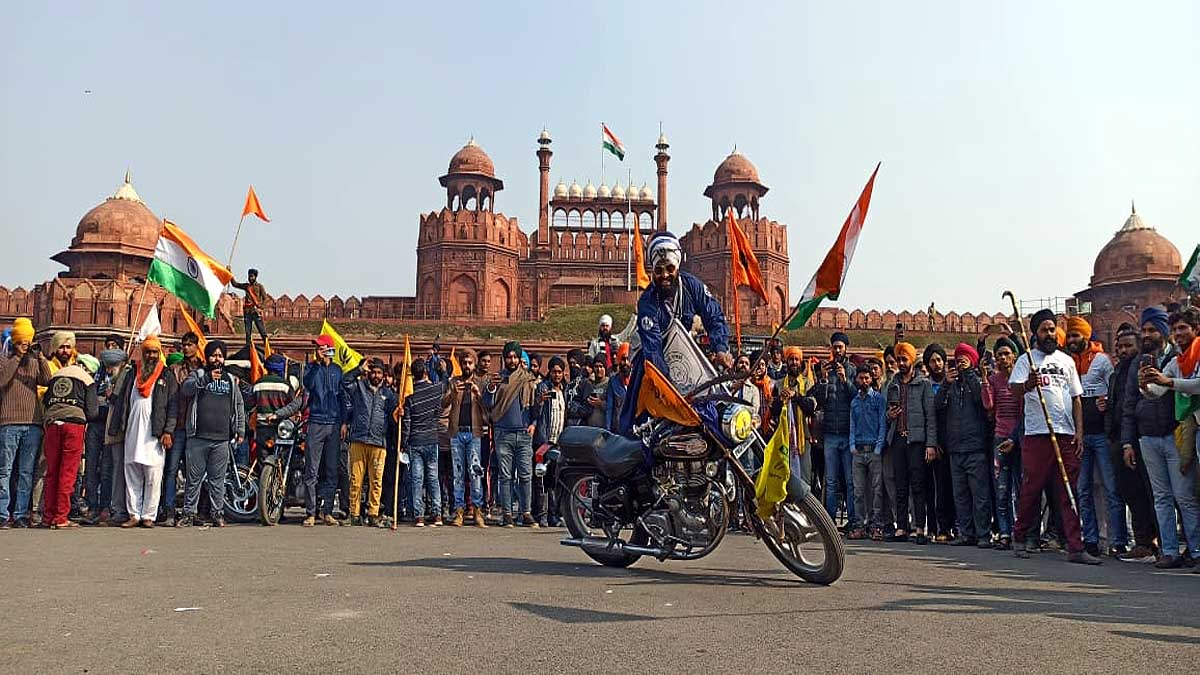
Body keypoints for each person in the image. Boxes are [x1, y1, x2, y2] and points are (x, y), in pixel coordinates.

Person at [1009, 309, 1098, 564]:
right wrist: (1028, 384)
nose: (1049, 334)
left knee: (1068, 491)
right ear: (1035, 333)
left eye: (1051, 329)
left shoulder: (1066, 361)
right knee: (1032, 488)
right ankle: (1020, 535)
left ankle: (1075, 547)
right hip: (1038, 434)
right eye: (1044, 330)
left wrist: (1079, 432)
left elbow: (1076, 398)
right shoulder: (1027, 360)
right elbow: (1014, 390)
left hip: (1065, 433)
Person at [619, 231, 730, 433]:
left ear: (677, 266)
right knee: (641, 430)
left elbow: (713, 315)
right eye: (659, 271)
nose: (665, 276)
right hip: (655, 370)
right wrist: (668, 387)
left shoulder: (691, 286)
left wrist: (720, 348)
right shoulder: (647, 302)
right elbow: (653, 348)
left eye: (670, 269)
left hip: (689, 362)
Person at [1133, 306, 1200, 569]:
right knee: (1165, 496)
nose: (1178, 333)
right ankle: (1171, 552)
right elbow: (1156, 393)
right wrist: (1145, 384)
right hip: (1191, 431)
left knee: (1185, 496)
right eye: (1174, 329)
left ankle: (1196, 551)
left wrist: (1167, 383)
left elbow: (1197, 385)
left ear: (1196, 329)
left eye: (1183, 328)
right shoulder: (1177, 361)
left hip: (1183, 432)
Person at [1063, 315, 1126, 558]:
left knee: (1111, 489)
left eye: (1075, 335)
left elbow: (1114, 391)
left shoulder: (1101, 361)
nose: (1071, 340)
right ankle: (1089, 539)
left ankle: (1118, 540)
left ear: (1086, 336)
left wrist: (1107, 403)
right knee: (1083, 490)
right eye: (1069, 336)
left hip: (1100, 434)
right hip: (1079, 435)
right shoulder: (1067, 362)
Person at [106, 337, 178, 528]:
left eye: (155, 352)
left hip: (155, 433)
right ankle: (134, 514)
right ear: (143, 353)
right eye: (148, 352)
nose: (151, 355)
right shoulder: (132, 373)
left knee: (153, 476)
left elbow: (173, 406)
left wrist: (168, 431)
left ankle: (148, 516)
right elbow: (120, 400)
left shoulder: (166, 375)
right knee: (132, 473)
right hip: (132, 431)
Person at [1104, 325, 1158, 561]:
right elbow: (1120, 406)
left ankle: (1152, 542)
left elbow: (1133, 407)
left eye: (1128, 346)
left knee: (1149, 492)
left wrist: (1129, 442)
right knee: (1130, 493)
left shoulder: (1141, 366)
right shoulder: (1117, 371)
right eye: (1120, 346)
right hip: (1119, 439)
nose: (1123, 350)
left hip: (1139, 438)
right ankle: (1143, 542)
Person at [177, 340, 244, 528]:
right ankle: (189, 514)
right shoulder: (198, 374)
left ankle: (217, 513)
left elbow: (238, 405)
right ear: (207, 357)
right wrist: (206, 379)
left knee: (217, 481)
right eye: (213, 355)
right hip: (198, 437)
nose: (217, 359)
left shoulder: (231, 380)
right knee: (194, 480)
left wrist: (240, 429)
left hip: (221, 439)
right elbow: (186, 389)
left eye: (220, 355)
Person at [938, 343, 992, 548]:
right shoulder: (951, 385)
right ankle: (966, 533)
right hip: (955, 448)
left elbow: (982, 400)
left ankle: (984, 534)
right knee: (960, 495)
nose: (960, 362)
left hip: (975, 447)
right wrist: (945, 384)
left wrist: (970, 373)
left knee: (980, 495)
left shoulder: (977, 381)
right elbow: (936, 406)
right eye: (958, 359)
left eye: (964, 359)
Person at [39, 348, 99, 528]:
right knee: (68, 472)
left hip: (52, 423)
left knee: (52, 472)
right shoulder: (87, 379)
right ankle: (61, 517)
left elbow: (46, 400)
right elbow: (93, 411)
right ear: (89, 369)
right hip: (73, 424)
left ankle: (48, 516)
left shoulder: (57, 375)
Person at [0, 318, 52, 528]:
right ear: (16, 340)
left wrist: (38, 356)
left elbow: (47, 380)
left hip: (33, 424)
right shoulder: (4, 359)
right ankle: (3, 514)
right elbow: (3, 380)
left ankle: (21, 514)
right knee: (5, 471)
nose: (26, 344)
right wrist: (18, 355)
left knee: (25, 471)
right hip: (9, 422)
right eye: (23, 340)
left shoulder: (34, 360)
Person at [885, 342, 936, 544]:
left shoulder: (923, 384)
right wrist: (889, 415)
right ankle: (901, 527)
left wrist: (930, 445)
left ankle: (919, 527)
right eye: (899, 359)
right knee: (900, 485)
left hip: (917, 441)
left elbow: (930, 417)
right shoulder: (893, 384)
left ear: (912, 360)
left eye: (904, 359)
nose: (901, 363)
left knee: (918, 484)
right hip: (898, 439)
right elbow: (887, 413)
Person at [484, 341, 538, 528]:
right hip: (503, 433)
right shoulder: (498, 379)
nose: (512, 360)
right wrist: (491, 388)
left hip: (523, 433)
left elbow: (535, 405)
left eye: (515, 357)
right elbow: (488, 403)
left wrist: (534, 423)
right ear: (504, 358)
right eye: (509, 357)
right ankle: (507, 513)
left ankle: (526, 512)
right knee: (505, 476)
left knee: (525, 475)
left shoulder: (528, 379)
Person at [343, 358, 397, 527]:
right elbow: (345, 381)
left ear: (383, 375)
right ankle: (354, 513)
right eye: (373, 372)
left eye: (379, 372)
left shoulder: (388, 394)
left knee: (376, 480)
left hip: (378, 441)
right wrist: (359, 369)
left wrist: (399, 412)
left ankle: (373, 513)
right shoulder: (359, 388)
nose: (376, 375)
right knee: (356, 479)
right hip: (359, 438)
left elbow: (393, 416)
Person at [981, 336, 1023, 550]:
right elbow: (989, 405)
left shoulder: (1021, 378)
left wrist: (1015, 438)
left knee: (1021, 487)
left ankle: (1020, 531)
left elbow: (1024, 411)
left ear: (1014, 356)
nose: (1003, 358)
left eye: (1006, 354)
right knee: (1002, 488)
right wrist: (984, 380)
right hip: (999, 437)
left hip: (1019, 438)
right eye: (999, 355)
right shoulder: (994, 380)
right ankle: (1005, 532)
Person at [301, 334, 346, 527]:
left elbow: (343, 399)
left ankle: (326, 511)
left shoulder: (337, 371)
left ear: (329, 349)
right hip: (316, 422)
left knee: (331, 469)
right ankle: (311, 512)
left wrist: (344, 422)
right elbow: (308, 385)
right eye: (317, 348)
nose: (318, 350)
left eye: (321, 347)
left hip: (334, 423)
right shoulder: (311, 368)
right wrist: (316, 363)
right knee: (311, 469)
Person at [814, 332, 857, 529]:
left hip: (848, 434)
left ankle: (853, 520)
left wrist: (845, 380)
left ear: (846, 349)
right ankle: (829, 522)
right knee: (830, 482)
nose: (838, 350)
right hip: (831, 433)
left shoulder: (853, 371)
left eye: (841, 347)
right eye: (835, 347)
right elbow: (820, 401)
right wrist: (823, 379)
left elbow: (857, 398)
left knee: (850, 481)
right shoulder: (825, 372)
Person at [160, 332, 203, 525]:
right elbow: (170, 400)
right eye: (184, 345)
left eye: (190, 344)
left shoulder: (204, 369)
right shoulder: (174, 370)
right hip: (177, 426)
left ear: (197, 346)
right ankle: (169, 511)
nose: (186, 348)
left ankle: (192, 512)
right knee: (171, 470)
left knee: (194, 473)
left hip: (197, 428)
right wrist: (167, 430)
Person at [442, 348, 487, 528]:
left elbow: (488, 410)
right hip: (457, 432)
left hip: (475, 432)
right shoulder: (453, 382)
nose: (467, 365)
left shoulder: (480, 383)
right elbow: (443, 403)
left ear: (474, 364)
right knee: (458, 474)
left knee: (475, 473)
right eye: (464, 363)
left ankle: (477, 510)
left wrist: (478, 394)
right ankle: (459, 510)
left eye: (470, 363)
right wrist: (453, 393)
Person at [81, 346, 123, 525]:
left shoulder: (122, 378)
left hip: (110, 426)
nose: (109, 368)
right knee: (90, 467)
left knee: (107, 468)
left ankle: (105, 506)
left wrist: (111, 397)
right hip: (95, 424)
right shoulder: (96, 376)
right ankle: (92, 506)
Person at [921, 343, 956, 542]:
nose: (936, 364)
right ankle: (935, 527)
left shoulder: (952, 382)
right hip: (931, 442)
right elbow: (929, 413)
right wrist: (932, 442)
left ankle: (949, 527)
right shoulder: (925, 385)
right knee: (932, 488)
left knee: (950, 487)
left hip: (950, 439)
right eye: (932, 361)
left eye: (939, 360)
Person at [403, 358, 444, 527]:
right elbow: (446, 385)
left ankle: (419, 515)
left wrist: (404, 442)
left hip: (415, 440)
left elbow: (407, 422)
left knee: (417, 479)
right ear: (426, 372)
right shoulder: (435, 390)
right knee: (433, 478)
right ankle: (437, 514)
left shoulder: (409, 396)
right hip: (432, 438)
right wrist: (442, 371)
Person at [848, 368, 887, 540]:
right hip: (858, 450)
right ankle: (859, 524)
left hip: (873, 450)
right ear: (856, 379)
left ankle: (876, 525)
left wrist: (879, 448)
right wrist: (852, 445)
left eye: (866, 378)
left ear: (871, 379)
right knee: (858, 491)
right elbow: (852, 425)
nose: (863, 381)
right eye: (860, 378)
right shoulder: (855, 401)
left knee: (876, 490)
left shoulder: (878, 399)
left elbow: (882, 425)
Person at [531, 356, 567, 527]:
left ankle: (553, 514)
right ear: (550, 372)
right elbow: (535, 411)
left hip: (559, 443)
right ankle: (542, 514)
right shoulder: (542, 388)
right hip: (544, 442)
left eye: (560, 372)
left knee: (554, 481)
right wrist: (539, 402)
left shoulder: (564, 390)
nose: (557, 375)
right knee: (541, 481)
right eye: (554, 371)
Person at [230, 268, 269, 345]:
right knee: (248, 333)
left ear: (255, 277)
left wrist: (261, 308)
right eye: (249, 276)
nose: (250, 278)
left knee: (262, 332)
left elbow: (265, 299)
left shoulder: (259, 286)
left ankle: (267, 348)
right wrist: (230, 273)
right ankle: (248, 348)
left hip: (256, 311)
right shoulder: (246, 286)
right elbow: (235, 284)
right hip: (247, 312)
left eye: (252, 276)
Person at [605, 345, 633, 433]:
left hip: (634, 429)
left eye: (627, 359)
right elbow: (609, 407)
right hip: (618, 429)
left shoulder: (638, 380)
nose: (625, 362)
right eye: (623, 359)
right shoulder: (613, 382)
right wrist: (607, 430)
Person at [584, 355, 610, 428]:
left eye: (601, 366)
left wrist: (600, 403)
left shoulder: (610, 384)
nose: (599, 369)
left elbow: (614, 407)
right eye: (596, 366)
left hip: (604, 429)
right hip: (590, 428)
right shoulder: (589, 384)